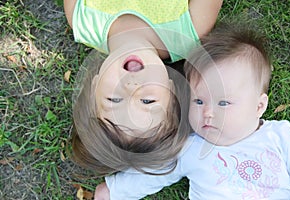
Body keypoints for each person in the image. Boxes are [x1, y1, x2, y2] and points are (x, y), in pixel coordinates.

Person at [95, 18, 290, 199]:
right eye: (199, 101)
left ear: (259, 106)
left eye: (223, 103)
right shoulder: (190, 147)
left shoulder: (279, 136)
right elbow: (156, 172)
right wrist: (115, 190)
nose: (208, 113)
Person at [63, 0, 223, 175]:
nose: (132, 88)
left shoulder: (82, 19)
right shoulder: (191, 27)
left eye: (114, 99)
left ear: (94, 86)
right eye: (147, 101)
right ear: (171, 90)